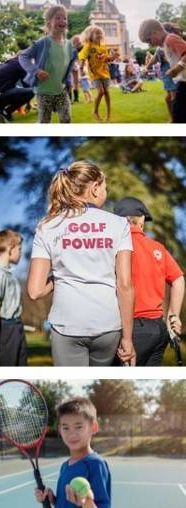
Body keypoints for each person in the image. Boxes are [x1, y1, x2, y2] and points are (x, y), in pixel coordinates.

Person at [27, 161, 135, 366]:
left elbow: (35, 291)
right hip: (108, 324)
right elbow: (125, 285)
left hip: (66, 325)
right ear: (94, 188)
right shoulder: (119, 224)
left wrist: (58, 277)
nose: (106, 192)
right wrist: (128, 339)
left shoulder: (47, 226)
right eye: (104, 188)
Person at [113, 197, 184, 366]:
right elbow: (178, 279)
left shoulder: (116, 247)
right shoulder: (157, 248)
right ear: (142, 220)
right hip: (158, 330)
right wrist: (173, 316)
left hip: (132, 329)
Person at [34, 398, 111, 508]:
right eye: (66, 428)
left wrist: (86, 502)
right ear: (60, 430)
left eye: (78, 427)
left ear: (93, 427)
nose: (72, 434)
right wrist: (52, 499)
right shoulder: (65, 466)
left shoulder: (96, 464)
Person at [18, 5, 78, 123]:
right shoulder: (43, 42)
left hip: (61, 90)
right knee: (45, 121)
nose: (62, 21)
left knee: (66, 120)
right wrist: (36, 71)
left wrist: (68, 82)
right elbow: (23, 56)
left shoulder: (69, 45)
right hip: (44, 92)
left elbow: (67, 66)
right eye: (58, 18)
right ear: (49, 22)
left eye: (64, 18)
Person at [0, 229, 28, 366]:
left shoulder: (8, 274)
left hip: (16, 327)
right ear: (10, 248)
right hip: (6, 330)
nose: (20, 253)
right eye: (19, 249)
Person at [139, 18, 186, 123]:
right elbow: (156, 57)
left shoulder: (170, 39)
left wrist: (177, 68)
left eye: (149, 40)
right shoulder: (164, 45)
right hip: (181, 82)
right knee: (178, 113)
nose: (150, 45)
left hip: (183, 83)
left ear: (155, 32)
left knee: (178, 114)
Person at [0, 54, 35, 122]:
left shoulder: (9, 64)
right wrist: (29, 103)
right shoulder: (20, 64)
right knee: (33, 91)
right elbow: (27, 85)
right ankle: (6, 112)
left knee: (17, 89)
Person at [79, 25, 112, 121]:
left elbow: (106, 59)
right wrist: (81, 67)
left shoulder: (103, 46)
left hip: (104, 72)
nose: (99, 35)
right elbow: (83, 56)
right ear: (90, 35)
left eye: (100, 33)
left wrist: (113, 57)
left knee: (107, 92)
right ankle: (95, 112)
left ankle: (108, 114)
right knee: (101, 92)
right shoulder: (88, 46)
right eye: (97, 33)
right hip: (94, 73)